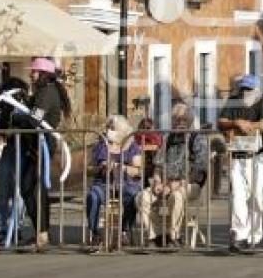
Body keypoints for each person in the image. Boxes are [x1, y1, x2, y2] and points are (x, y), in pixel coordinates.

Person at [136, 102, 208, 248]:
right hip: (165, 183)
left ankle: (174, 236)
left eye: (183, 120)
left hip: (190, 184)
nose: (179, 123)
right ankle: (155, 235)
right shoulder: (168, 138)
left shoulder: (197, 138)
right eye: (176, 119)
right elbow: (158, 164)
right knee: (142, 197)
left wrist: (178, 183)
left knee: (177, 196)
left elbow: (200, 169)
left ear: (189, 121)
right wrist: (157, 181)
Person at [17, 57, 71, 250]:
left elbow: (35, 119)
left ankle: (42, 234)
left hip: (42, 145)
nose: (31, 74)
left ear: (43, 74)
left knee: (32, 189)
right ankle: (41, 233)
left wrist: (16, 118)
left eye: (34, 72)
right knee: (31, 189)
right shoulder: (43, 91)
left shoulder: (47, 92)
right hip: (37, 146)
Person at [217, 74, 263, 253]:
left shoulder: (262, 102)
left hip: (257, 157)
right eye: (243, 88)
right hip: (237, 156)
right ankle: (239, 234)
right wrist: (235, 123)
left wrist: (249, 126)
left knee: (257, 197)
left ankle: (254, 234)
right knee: (238, 196)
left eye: (249, 89)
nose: (245, 92)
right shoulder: (232, 101)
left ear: (256, 89)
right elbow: (221, 121)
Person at [86, 115, 142, 251]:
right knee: (93, 196)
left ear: (122, 130)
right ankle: (94, 232)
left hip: (126, 183)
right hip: (104, 183)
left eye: (112, 128)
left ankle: (124, 231)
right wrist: (101, 167)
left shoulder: (131, 145)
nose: (108, 130)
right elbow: (88, 169)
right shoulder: (102, 144)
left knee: (133, 194)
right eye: (108, 127)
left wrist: (121, 167)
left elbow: (138, 171)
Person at [0, 77, 30, 246]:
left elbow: (29, 126)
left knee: (17, 192)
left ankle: (15, 227)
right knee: (3, 192)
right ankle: (3, 228)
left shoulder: (24, 106)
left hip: (19, 150)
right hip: (3, 151)